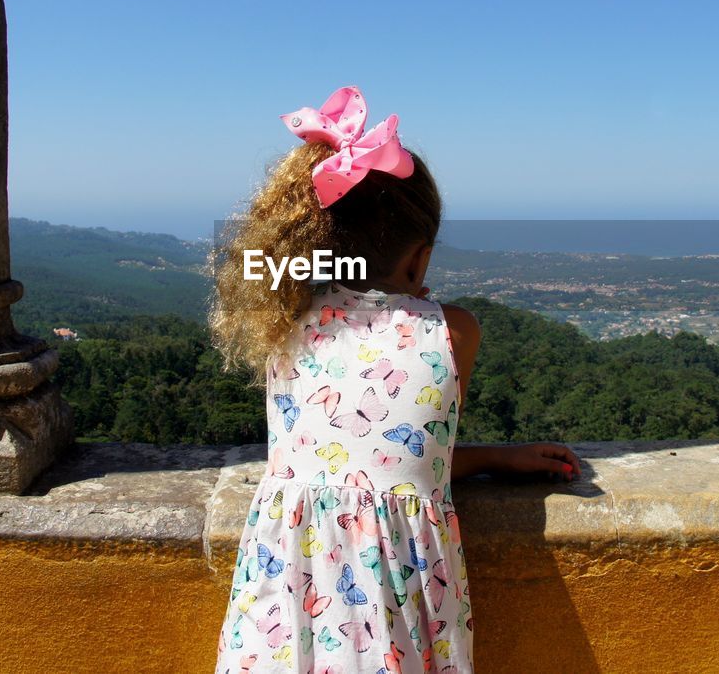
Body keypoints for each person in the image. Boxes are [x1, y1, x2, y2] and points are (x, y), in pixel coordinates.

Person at [209, 86, 581, 674]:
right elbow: (399, 471)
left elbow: (368, 460)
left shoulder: (281, 325)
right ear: (420, 259)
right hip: (396, 625)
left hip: (281, 624)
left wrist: (490, 458)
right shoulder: (452, 333)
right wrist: (497, 461)